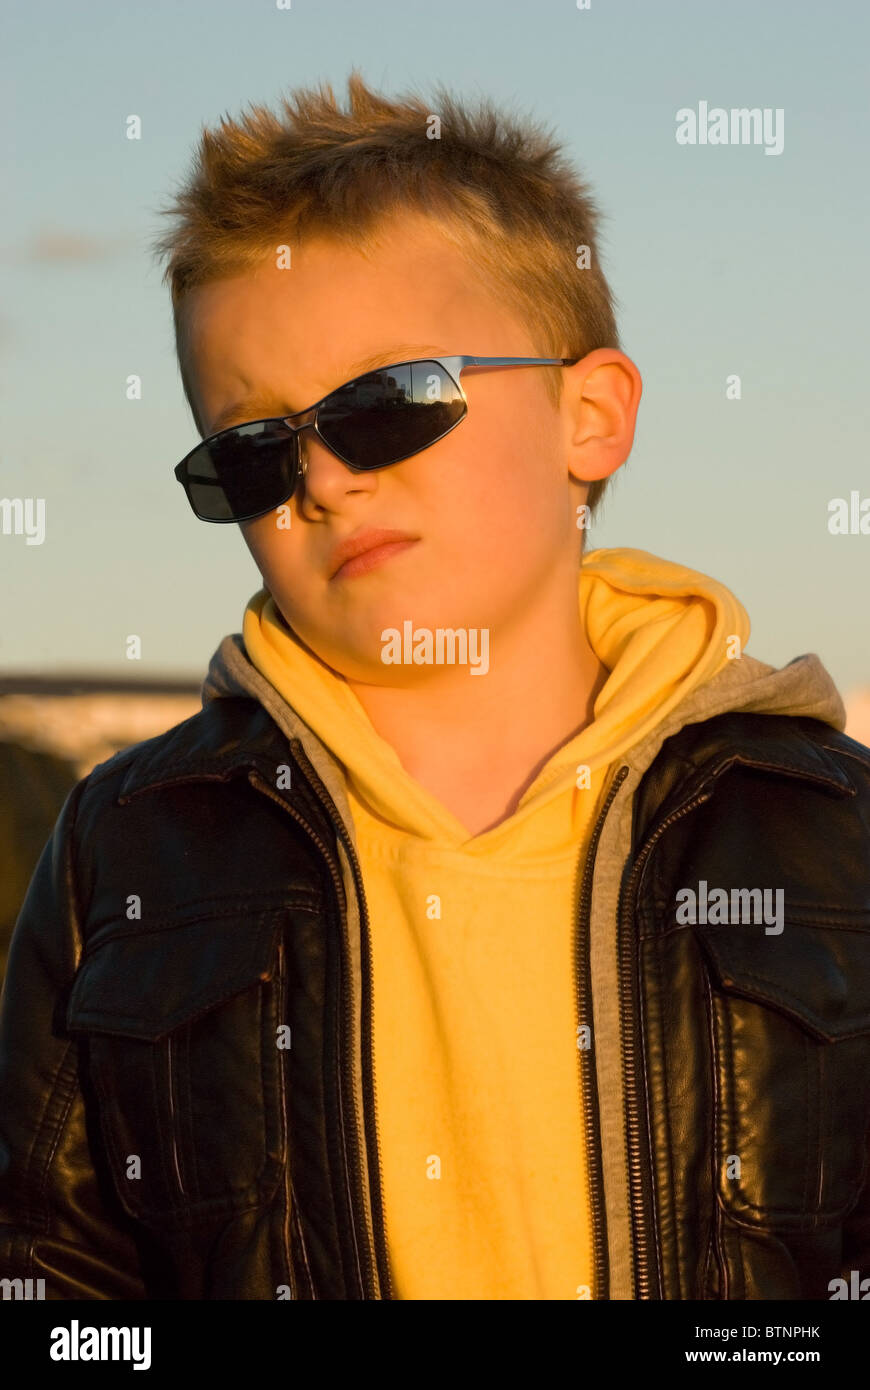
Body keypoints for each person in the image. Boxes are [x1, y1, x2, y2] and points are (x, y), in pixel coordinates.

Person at [1, 69, 869, 1302]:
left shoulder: (835, 832)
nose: (323, 479)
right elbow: (52, 1274)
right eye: (251, 449)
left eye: (387, 405)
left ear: (591, 419)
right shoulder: (128, 849)